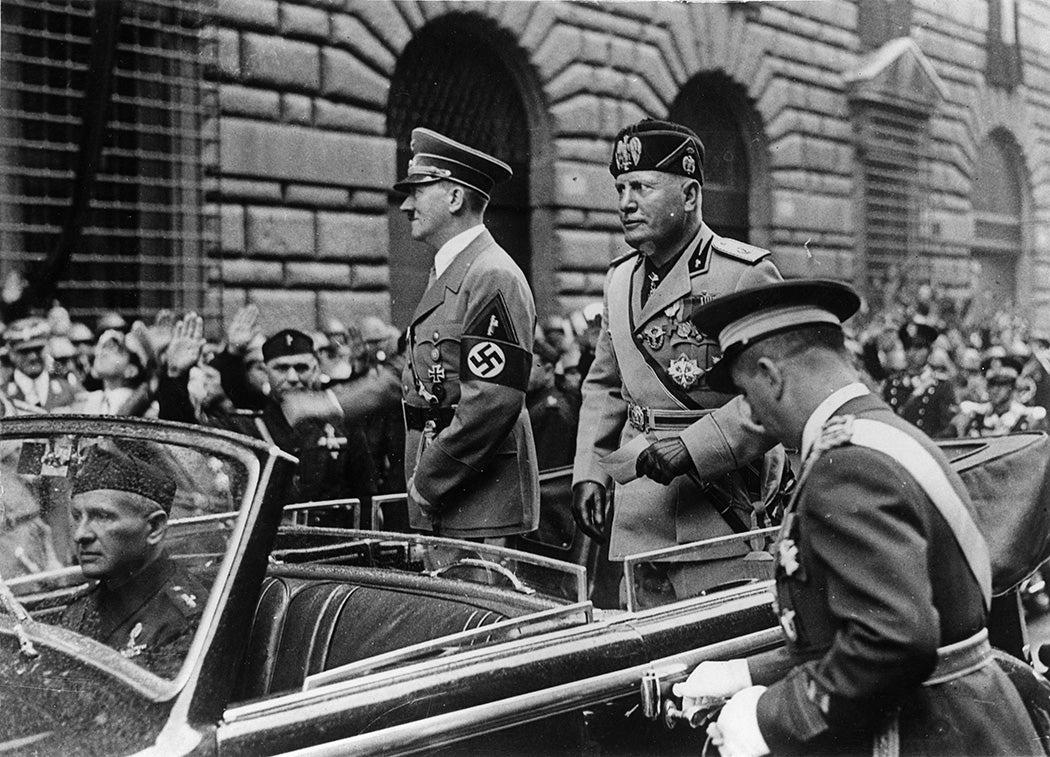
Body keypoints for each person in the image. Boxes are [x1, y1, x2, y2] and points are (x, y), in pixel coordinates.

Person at [673, 279, 1039, 756]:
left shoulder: (845, 466)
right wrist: (746, 673)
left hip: (918, 736)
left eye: (744, 393)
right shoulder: (881, 435)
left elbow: (891, 641)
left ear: (771, 375)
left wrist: (768, 719)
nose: (751, 417)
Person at [571, 118, 786, 606]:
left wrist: (694, 445)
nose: (625, 202)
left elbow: (776, 394)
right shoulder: (620, 280)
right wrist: (590, 471)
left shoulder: (742, 275)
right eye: (620, 187)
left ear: (690, 195)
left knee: (708, 660)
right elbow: (605, 384)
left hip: (716, 508)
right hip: (637, 507)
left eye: (642, 187)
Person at [394, 127, 538, 542]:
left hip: (480, 499)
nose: (406, 205)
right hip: (455, 492)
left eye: (418, 191)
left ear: (455, 197)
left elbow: (493, 400)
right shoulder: (453, 268)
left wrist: (429, 482)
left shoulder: (490, 274)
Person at [59, 446, 208, 678]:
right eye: (77, 517)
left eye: (102, 516)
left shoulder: (188, 620)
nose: (80, 534)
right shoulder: (80, 608)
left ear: (155, 528)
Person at [882, 318, 957, 437]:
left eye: (918, 347)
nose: (912, 353)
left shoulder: (942, 385)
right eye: (908, 347)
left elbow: (948, 426)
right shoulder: (893, 384)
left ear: (929, 351)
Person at [956, 352, 1047, 436]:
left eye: (1002, 384)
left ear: (1012, 387)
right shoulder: (977, 416)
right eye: (992, 384)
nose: (995, 390)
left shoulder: (1026, 417)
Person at [3, 316, 77, 412]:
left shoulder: (69, 390)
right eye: (24, 351)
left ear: (48, 348)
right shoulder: (3, 395)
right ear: (11, 354)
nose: (32, 357)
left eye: (38, 349)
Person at [526, 337, 579, 471]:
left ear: (549, 370)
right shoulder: (539, 403)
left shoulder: (551, 411)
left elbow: (546, 470)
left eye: (527, 367)